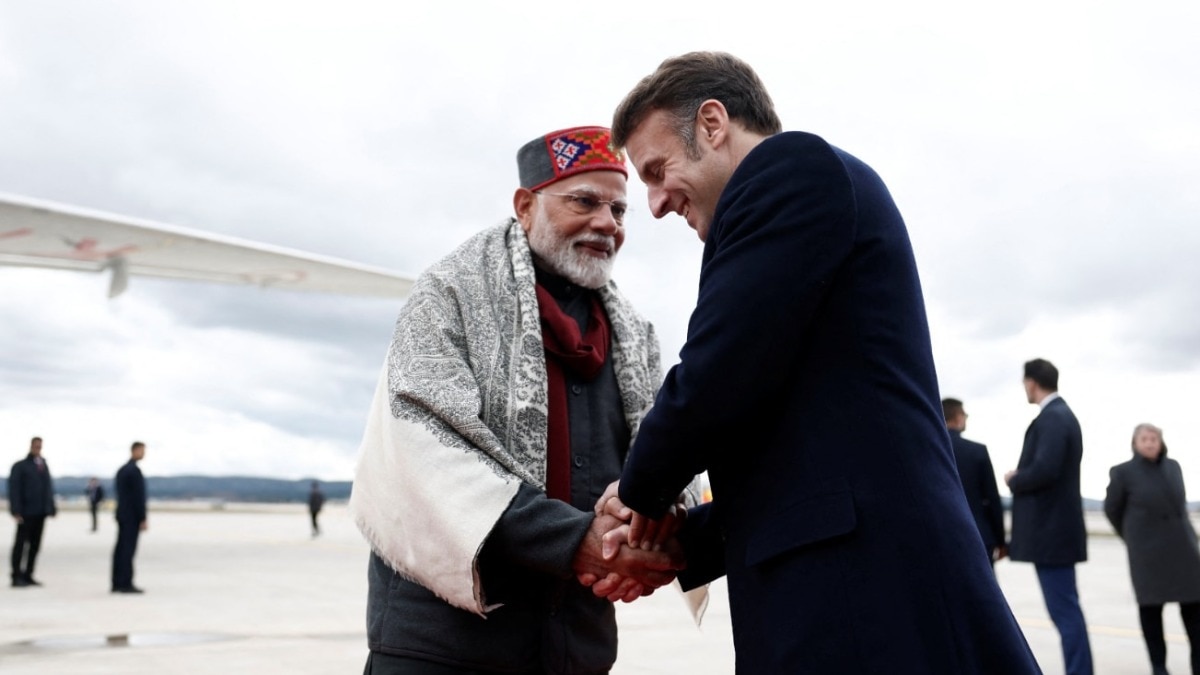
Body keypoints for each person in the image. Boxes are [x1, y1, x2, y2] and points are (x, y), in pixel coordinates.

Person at [597, 51, 1040, 673]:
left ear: (714, 123)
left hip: (870, 591)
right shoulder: (781, 207)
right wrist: (677, 542)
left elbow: (720, 369)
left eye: (656, 169)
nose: (656, 203)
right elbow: (800, 455)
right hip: (850, 586)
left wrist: (636, 494)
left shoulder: (789, 171)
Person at [349, 125, 685, 675]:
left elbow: (664, 456)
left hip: (574, 643)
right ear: (526, 205)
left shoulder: (635, 334)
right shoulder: (449, 296)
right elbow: (426, 455)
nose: (607, 223)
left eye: (620, 211)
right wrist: (581, 540)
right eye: (584, 201)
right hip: (446, 645)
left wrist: (647, 539)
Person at [1006, 358, 1093, 675]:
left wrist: (1015, 479)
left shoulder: (1054, 418)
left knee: (1065, 612)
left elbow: (1046, 469)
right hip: (1057, 533)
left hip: (1052, 534)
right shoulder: (1059, 415)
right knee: (1066, 610)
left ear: (1032, 382)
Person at [1105, 423, 1200, 675]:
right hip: (1147, 554)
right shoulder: (1123, 472)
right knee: (1151, 611)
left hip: (1183, 550)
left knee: (1194, 610)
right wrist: (1133, 537)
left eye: (1154, 438)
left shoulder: (1174, 467)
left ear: (1161, 442)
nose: (1150, 442)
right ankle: (1159, 668)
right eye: (1144, 438)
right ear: (1135, 443)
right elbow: (1112, 509)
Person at [943, 397, 1007, 566]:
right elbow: (993, 499)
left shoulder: (927, 451)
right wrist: (1001, 541)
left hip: (941, 536)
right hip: (978, 535)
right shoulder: (977, 451)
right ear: (958, 417)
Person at [9, 436, 56, 587]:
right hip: (25, 512)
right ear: (30, 446)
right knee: (21, 544)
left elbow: (48, 488)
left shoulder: (43, 465)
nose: (38, 449)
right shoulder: (20, 466)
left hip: (40, 512)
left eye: (40, 446)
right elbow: (14, 490)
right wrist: (16, 510)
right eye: (36, 446)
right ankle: (16, 575)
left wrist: (50, 507)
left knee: (35, 545)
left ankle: (28, 574)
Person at [112, 441, 147, 594]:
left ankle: (117, 582)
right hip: (131, 516)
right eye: (142, 451)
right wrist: (142, 517)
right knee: (127, 550)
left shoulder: (122, 470)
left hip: (122, 514)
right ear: (135, 450)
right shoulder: (133, 471)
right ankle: (125, 583)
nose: (144, 454)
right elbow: (138, 497)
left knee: (120, 549)